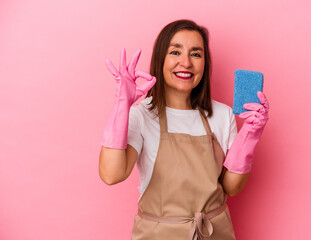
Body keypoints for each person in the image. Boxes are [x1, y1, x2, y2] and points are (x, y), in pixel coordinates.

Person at [99, 19, 269, 240]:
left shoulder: (223, 114)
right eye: (175, 52)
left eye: (196, 54)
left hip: (215, 232)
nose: (186, 62)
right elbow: (111, 174)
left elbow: (232, 187)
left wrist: (250, 134)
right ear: (160, 59)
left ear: (205, 65)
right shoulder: (141, 114)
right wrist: (122, 104)